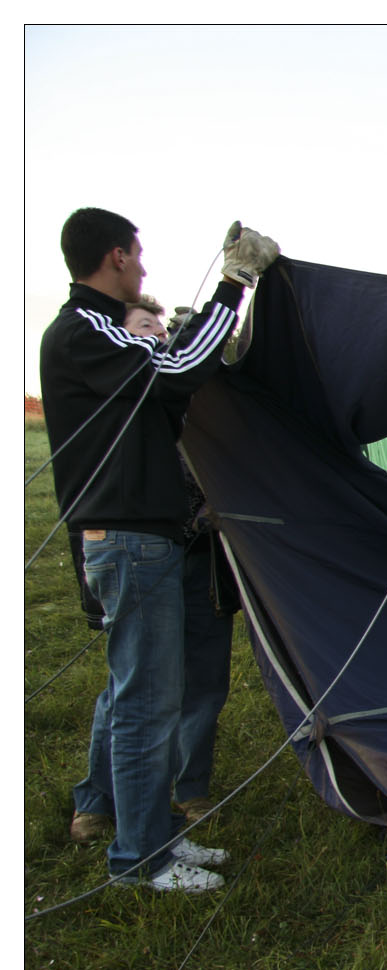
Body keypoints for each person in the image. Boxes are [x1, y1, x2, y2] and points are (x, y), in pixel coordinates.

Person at [41, 208, 278, 893]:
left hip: (145, 537)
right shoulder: (84, 329)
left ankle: (155, 836)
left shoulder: (98, 333)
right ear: (115, 257)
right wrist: (233, 285)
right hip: (130, 537)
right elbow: (172, 370)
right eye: (137, 256)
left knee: (150, 693)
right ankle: (139, 857)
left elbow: (161, 386)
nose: (143, 268)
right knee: (146, 701)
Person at [68, 295, 237, 842]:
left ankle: (188, 792)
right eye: (143, 330)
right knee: (133, 687)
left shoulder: (194, 396)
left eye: (162, 332)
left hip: (201, 563)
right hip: (146, 556)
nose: (156, 339)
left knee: (202, 682)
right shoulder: (125, 401)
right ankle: (99, 801)